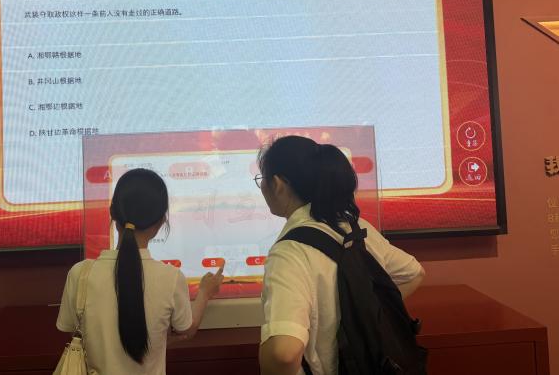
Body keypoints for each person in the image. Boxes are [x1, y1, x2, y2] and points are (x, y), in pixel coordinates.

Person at [256, 136, 425, 375]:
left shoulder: (290, 252)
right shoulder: (355, 228)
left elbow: (283, 354)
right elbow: (413, 273)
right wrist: (364, 312)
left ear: (278, 184)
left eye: (261, 180)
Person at [57, 168, 224, 374]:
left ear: (112, 212)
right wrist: (205, 293)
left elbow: (75, 332)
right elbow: (187, 330)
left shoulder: (80, 274)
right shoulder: (171, 278)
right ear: (161, 221)